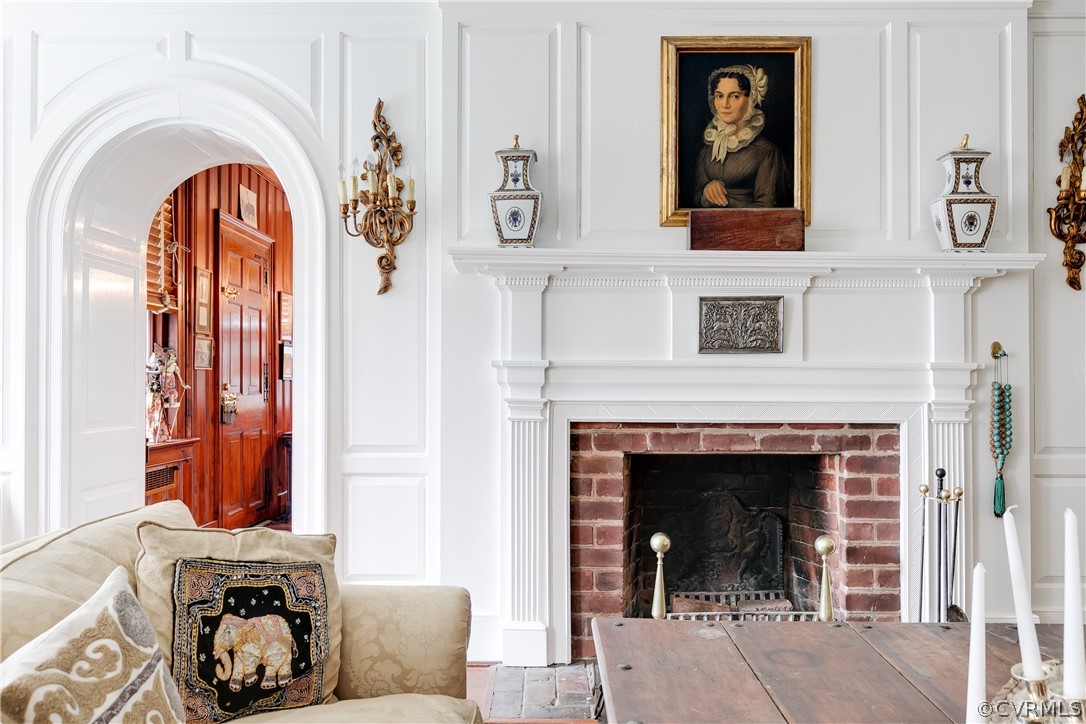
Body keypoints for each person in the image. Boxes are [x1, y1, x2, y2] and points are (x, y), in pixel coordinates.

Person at [695, 64, 790, 209]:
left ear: (750, 99)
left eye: (734, 96)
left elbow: (768, 207)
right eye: (720, 96)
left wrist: (722, 201)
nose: (725, 104)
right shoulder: (707, 151)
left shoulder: (767, 152)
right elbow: (695, 198)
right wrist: (706, 191)